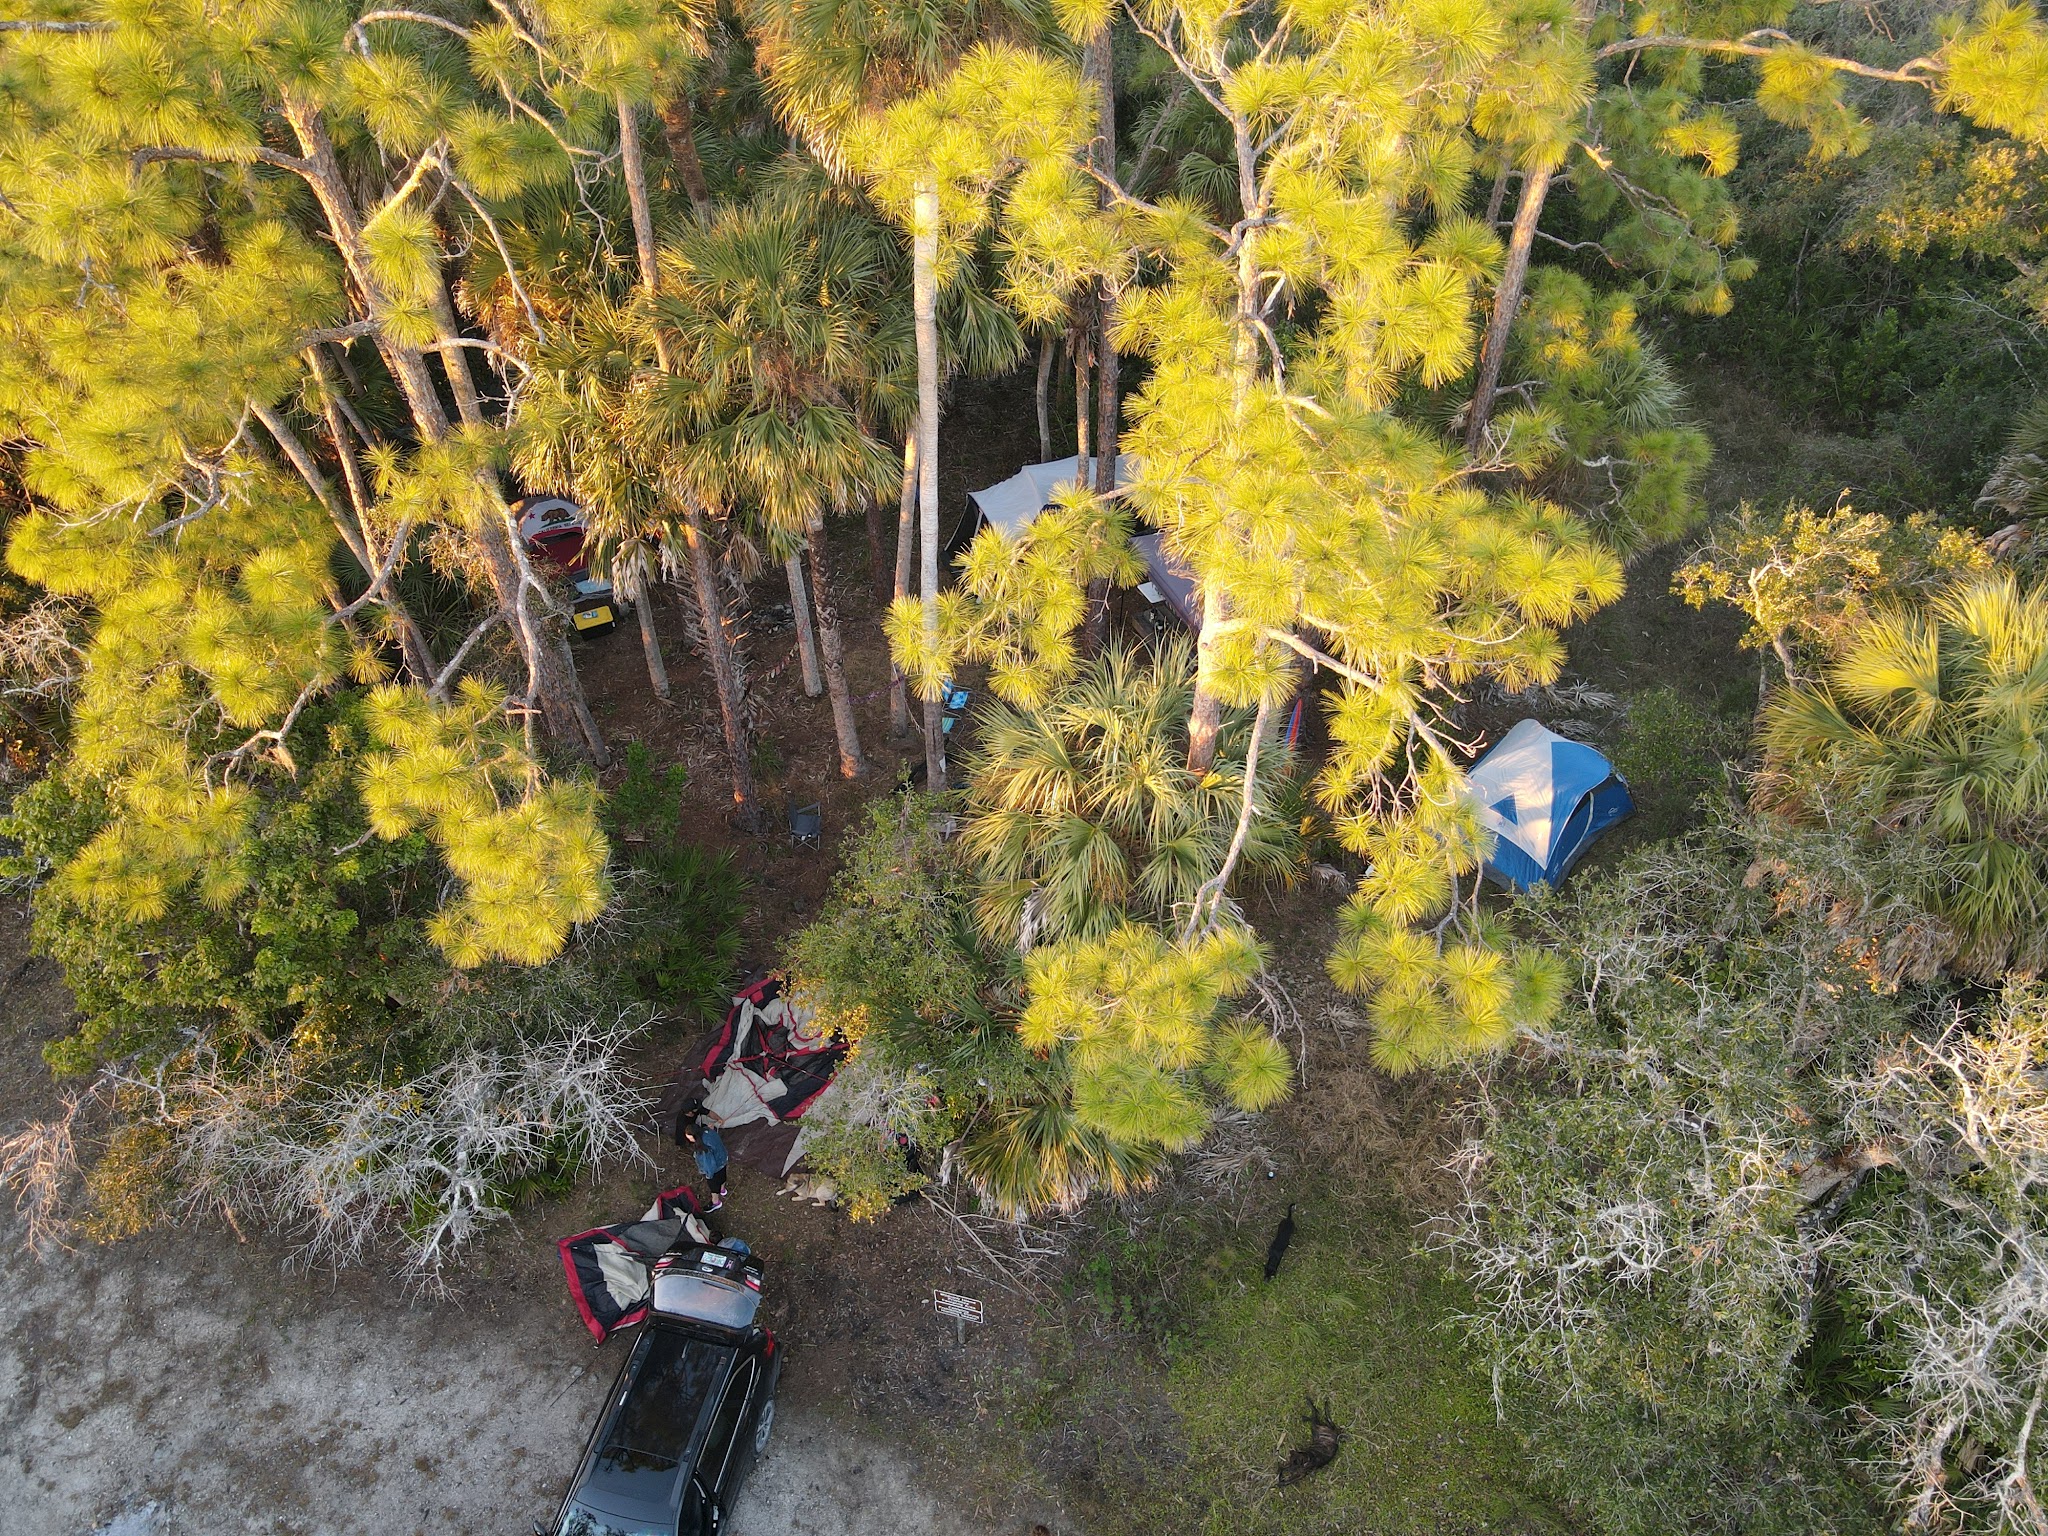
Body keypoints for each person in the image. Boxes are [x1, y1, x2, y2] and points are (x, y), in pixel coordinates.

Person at [678, 1111, 729, 1211]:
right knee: (723, 1176)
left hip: (716, 1166)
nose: (688, 1139)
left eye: (689, 1137)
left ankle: (716, 1202)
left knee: (714, 1185)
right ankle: (723, 1190)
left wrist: (709, 1175)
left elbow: (709, 1164)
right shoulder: (708, 1131)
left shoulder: (703, 1148)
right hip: (723, 1159)